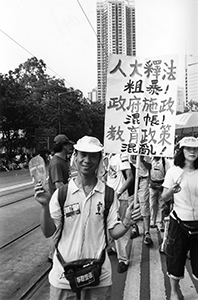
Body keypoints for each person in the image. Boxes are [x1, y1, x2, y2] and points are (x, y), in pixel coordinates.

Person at [34, 136, 141, 300]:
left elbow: (113, 232)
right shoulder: (62, 194)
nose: (87, 160)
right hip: (63, 277)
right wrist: (44, 206)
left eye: (93, 156)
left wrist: (126, 222)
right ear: (75, 157)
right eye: (83, 154)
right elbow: (48, 232)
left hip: (99, 277)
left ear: (99, 159)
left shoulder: (109, 194)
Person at [161, 136, 198, 300]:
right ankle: (174, 292)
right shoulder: (173, 171)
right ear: (181, 150)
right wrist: (171, 191)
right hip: (179, 223)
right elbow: (164, 198)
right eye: (188, 148)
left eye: (196, 148)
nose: (192, 151)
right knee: (175, 260)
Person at [106, 153, 134, 273]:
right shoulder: (108, 156)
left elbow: (130, 177)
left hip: (120, 198)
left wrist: (119, 192)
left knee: (122, 226)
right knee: (110, 225)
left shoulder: (122, 156)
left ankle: (123, 259)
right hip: (109, 197)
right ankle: (114, 248)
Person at [48, 134, 74, 261]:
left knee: (65, 229)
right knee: (60, 230)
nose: (71, 146)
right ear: (63, 146)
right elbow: (59, 185)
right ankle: (52, 255)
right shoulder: (56, 163)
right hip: (59, 202)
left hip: (64, 200)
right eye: (69, 144)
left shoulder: (64, 161)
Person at [130, 155, 153, 246]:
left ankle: (147, 232)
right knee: (131, 204)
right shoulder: (126, 151)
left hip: (143, 179)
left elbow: (150, 167)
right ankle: (134, 227)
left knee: (144, 205)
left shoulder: (145, 152)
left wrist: (142, 160)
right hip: (130, 179)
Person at [149, 156, 170, 231]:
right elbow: (148, 171)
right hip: (152, 184)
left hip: (161, 184)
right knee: (152, 204)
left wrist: (164, 185)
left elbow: (168, 174)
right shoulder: (150, 160)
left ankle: (159, 222)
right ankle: (152, 221)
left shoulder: (165, 161)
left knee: (161, 205)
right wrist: (150, 182)